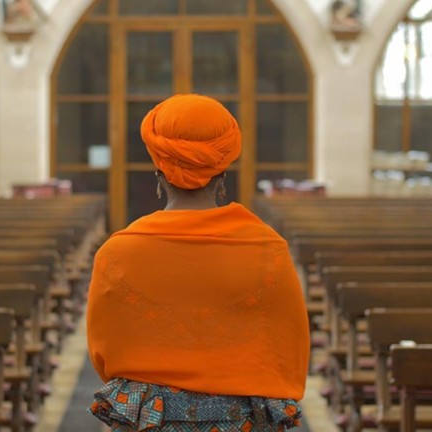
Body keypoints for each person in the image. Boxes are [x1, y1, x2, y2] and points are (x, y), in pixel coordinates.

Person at [87, 94, 310, 432]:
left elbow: (105, 355)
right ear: (222, 172)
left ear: (159, 171)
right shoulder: (268, 250)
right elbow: (288, 353)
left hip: (152, 421)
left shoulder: (118, 253)